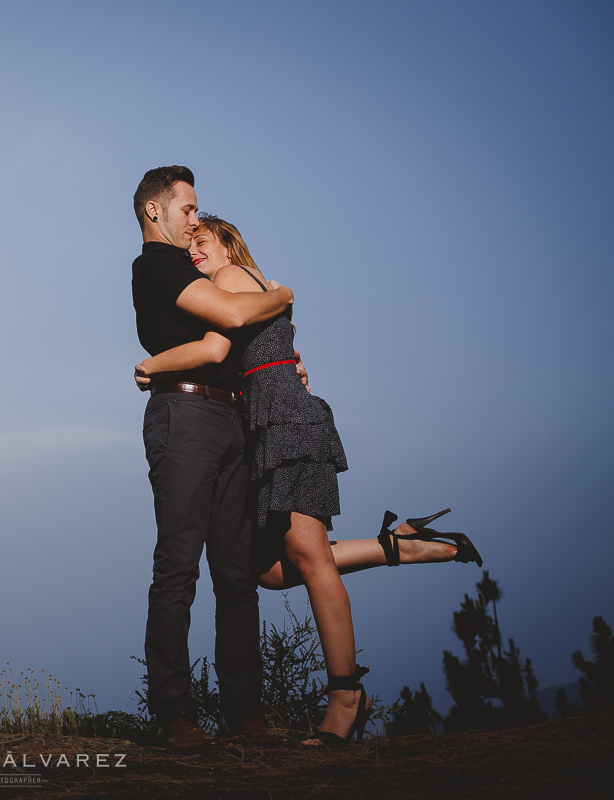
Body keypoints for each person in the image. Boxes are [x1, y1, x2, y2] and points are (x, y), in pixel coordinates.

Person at [135, 214, 482, 745]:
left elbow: (216, 348)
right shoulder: (261, 285)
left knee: (310, 558)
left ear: (229, 244)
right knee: (272, 570)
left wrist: (150, 365)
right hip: (274, 423)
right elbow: (278, 350)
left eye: (204, 240)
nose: (195, 250)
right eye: (192, 244)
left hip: (285, 427)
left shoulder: (229, 282)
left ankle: (346, 697)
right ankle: (396, 545)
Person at [130, 167, 296, 752]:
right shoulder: (157, 266)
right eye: (187, 209)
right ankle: (174, 716)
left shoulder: (191, 263)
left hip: (232, 418)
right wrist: (283, 293)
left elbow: (237, 343)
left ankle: (245, 718)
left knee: (236, 575)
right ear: (156, 211)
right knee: (178, 565)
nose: (195, 218)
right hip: (186, 417)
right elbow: (229, 317)